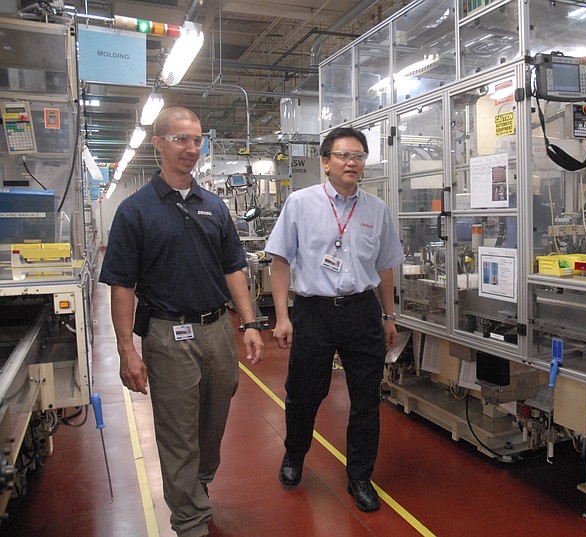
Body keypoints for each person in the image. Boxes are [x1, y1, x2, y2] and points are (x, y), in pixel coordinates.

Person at [99, 106, 264, 537]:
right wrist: (126, 351)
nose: (191, 148)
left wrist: (248, 324)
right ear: (158, 144)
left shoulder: (214, 206)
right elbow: (121, 286)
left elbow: (233, 269)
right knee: (177, 430)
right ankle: (189, 519)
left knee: (214, 419)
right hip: (167, 334)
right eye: (180, 139)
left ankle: (198, 483)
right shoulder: (135, 211)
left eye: (197, 140)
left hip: (216, 331)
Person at [266, 126, 404, 512]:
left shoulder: (377, 210)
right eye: (343, 155)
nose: (352, 162)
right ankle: (294, 456)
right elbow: (280, 261)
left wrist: (389, 316)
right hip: (314, 312)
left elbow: (386, 267)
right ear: (325, 162)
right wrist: (282, 317)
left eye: (358, 156)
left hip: (362, 312)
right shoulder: (300, 202)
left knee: (366, 399)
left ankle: (360, 477)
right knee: (304, 393)